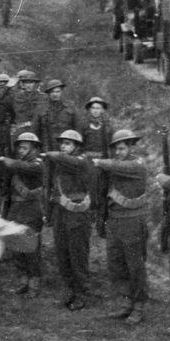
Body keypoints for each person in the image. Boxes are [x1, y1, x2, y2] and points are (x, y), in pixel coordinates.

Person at [92, 130, 150, 325]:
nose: (119, 151)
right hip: (115, 221)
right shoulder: (113, 168)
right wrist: (102, 221)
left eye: (122, 148)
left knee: (135, 266)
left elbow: (119, 166)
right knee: (116, 265)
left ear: (131, 147)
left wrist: (99, 162)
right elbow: (102, 195)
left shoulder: (138, 164)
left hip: (133, 221)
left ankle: (139, 306)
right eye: (116, 148)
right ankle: (126, 303)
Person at [44, 130, 94, 311]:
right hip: (60, 213)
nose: (63, 146)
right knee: (63, 254)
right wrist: (49, 215)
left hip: (77, 215)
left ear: (77, 147)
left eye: (68, 143)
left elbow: (71, 161)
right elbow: (51, 190)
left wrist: (53, 154)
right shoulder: (60, 163)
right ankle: (70, 290)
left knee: (78, 255)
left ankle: (82, 294)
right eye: (62, 143)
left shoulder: (82, 160)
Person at [0, 133, 44, 297]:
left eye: (25, 147)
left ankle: (34, 282)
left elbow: (31, 169)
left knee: (31, 248)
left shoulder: (37, 163)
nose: (21, 150)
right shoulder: (16, 165)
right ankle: (23, 279)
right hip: (15, 210)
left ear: (34, 149)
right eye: (19, 147)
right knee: (17, 247)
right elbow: (8, 191)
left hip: (31, 210)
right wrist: (5, 214)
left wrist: (10, 163)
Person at [41, 80, 77, 151]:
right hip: (48, 145)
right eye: (52, 92)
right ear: (48, 93)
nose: (55, 94)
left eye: (57, 92)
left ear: (62, 92)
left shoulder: (70, 106)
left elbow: (77, 127)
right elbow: (35, 129)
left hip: (67, 145)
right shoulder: (42, 108)